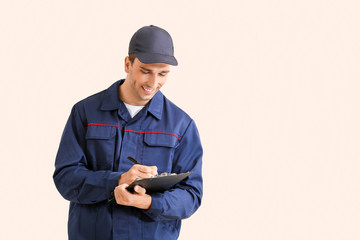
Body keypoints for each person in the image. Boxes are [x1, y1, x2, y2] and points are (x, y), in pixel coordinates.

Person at [53, 25, 203, 240]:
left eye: (162, 74)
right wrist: (117, 180)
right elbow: (65, 178)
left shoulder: (181, 125)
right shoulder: (86, 113)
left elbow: (191, 194)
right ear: (127, 64)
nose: (153, 83)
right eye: (145, 71)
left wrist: (147, 202)